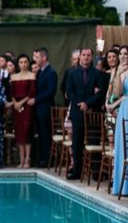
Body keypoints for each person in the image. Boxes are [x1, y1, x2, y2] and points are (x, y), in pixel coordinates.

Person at [66, 47, 108, 180]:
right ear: (80, 57)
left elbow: (101, 92)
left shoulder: (97, 73)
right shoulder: (72, 73)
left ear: (91, 57)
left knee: (94, 140)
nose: (85, 58)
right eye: (83, 55)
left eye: (88, 55)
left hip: (92, 112)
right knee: (77, 143)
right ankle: (77, 172)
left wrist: (87, 103)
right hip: (77, 112)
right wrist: (80, 103)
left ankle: (96, 173)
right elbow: (69, 91)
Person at [27, 47, 57, 168]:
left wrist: (36, 99)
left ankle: (47, 159)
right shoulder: (39, 72)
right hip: (38, 110)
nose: (35, 59)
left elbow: (50, 91)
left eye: (37, 57)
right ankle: (41, 158)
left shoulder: (51, 72)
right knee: (40, 134)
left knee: (45, 135)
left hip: (45, 108)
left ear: (44, 58)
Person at [9, 55, 36, 168]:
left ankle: (28, 159)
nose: (23, 64)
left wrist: (22, 102)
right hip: (16, 107)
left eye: (25, 62)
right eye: (21, 62)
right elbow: (11, 92)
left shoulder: (32, 75)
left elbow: (32, 92)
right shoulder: (14, 77)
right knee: (19, 133)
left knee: (27, 132)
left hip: (27, 106)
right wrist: (15, 102)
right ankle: (21, 159)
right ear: (18, 64)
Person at [111, 46, 128, 195]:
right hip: (124, 110)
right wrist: (118, 74)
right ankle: (123, 185)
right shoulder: (121, 72)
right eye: (121, 54)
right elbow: (117, 93)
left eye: (125, 54)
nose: (123, 56)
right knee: (123, 145)